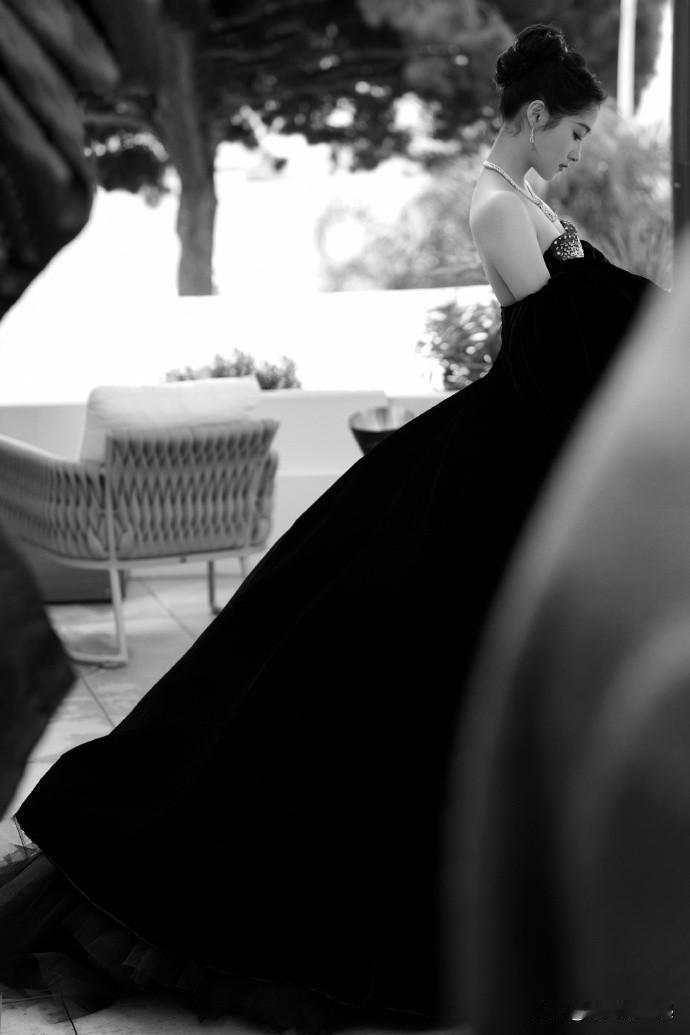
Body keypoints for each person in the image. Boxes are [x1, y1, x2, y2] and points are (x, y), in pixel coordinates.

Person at [0, 23, 666, 1034]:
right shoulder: (497, 205)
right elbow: (547, 354)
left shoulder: (530, 199)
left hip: (520, 448)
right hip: (502, 451)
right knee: (368, 681)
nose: (579, 154)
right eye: (574, 135)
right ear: (536, 117)